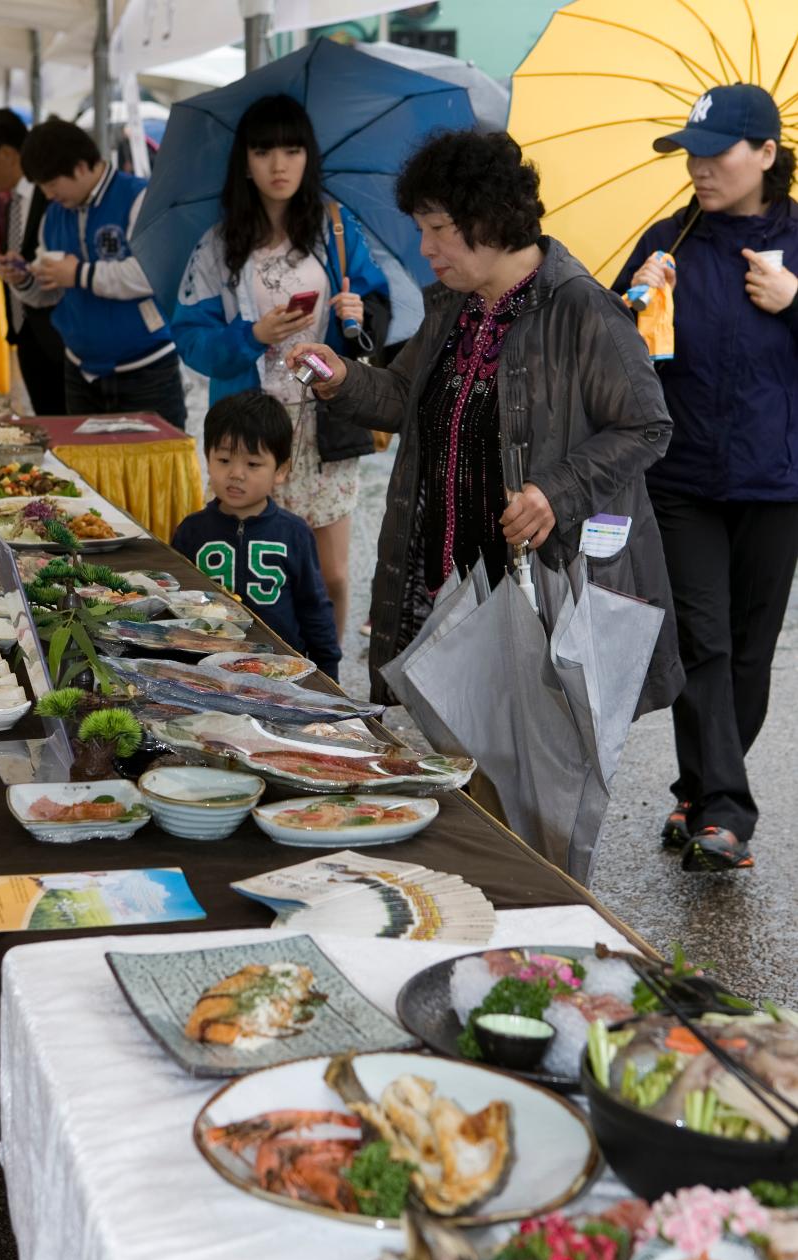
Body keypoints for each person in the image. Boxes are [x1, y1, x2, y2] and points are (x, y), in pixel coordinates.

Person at [287, 128, 683, 720]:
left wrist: (556, 492)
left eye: (438, 229)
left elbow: (645, 425)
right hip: (442, 577)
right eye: (422, 229)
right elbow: (404, 396)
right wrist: (343, 377)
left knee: (525, 770)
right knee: (446, 754)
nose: (425, 247)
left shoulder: (579, 307)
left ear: (489, 220)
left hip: (532, 589)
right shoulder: (456, 305)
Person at [613, 84, 798, 874]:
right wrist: (633, 306)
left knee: (750, 651)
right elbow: (617, 359)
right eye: (690, 152)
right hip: (680, 477)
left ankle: (696, 793)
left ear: (764, 154)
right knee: (704, 641)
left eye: (716, 151)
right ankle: (727, 811)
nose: (698, 167)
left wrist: (796, 303)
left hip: (776, 478)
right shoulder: (667, 240)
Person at [172, 94, 390, 640]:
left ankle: (328, 685)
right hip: (250, 429)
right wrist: (252, 335)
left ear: (308, 157)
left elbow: (372, 317)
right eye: (264, 150)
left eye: (292, 150)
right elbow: (190, 339)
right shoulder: (218, 246)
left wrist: (356, 316)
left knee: (332, 573)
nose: (279, 164)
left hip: (325, 425)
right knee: (250, 572)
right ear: (244, 160)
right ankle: (245, 673)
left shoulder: (337, 230)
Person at [0, 119, 185, 428]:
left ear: (82, 166)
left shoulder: (138, 197)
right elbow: (51, 293)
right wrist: (25, 280)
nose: (48, 193)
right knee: (85, 473)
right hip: (80, 371)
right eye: (42, 186)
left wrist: (80, 274)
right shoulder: (54, 214)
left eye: (52, 183)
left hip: (145, 371)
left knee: (151, 470)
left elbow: (152, 272)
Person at [171, 389, 341, 679]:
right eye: (224, 460)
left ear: (281, 470)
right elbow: (173, 604)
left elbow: (314, 609)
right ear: (208, 458)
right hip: (205, 671)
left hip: (279, 671)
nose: (236, 473)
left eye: (252, 464)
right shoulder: (191, 531)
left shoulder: (294, 533)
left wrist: (328, 671)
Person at [0, 109, 66, 414]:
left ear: (8, 154)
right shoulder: (11, 202)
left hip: (58, 339)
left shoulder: (52, 196)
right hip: (25, 334)